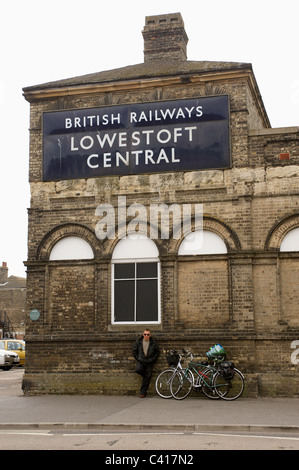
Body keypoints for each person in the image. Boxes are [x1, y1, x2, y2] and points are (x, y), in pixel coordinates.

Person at [133, 329, 160, 398]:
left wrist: (152, 359)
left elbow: (157, 352)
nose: (146, 336)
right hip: (141, 361)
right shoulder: (138, 342)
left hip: (149, 362)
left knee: (147, 377)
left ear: (150, 335)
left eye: (148, 334)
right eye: (145, 334)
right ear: (143, 335)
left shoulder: (153, 343)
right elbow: (134, 351)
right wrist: (138, 359)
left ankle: (143, 393)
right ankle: (146, 376)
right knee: (138, 370)